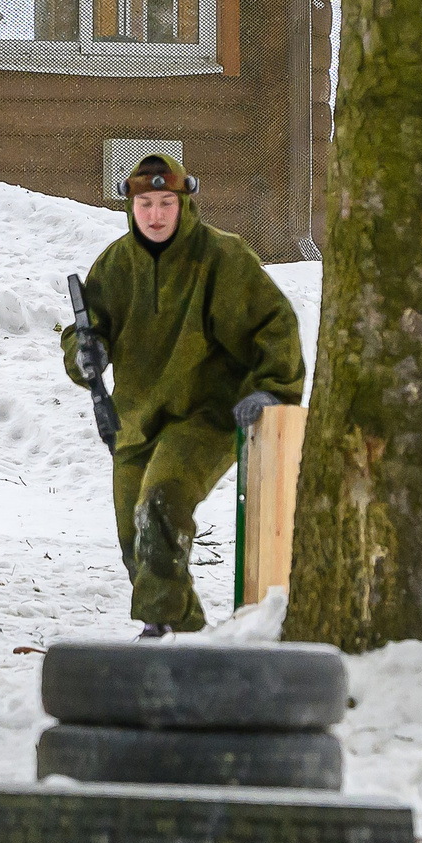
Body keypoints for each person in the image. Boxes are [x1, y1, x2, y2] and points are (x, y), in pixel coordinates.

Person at [62, 154, 305, 637]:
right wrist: (84, 354)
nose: (155, 215)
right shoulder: (115, 265)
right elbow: (85, 330)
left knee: (160, 506)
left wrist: (272, 392)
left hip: (207, 416)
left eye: (166, 203)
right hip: (135, 419)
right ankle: (188, 634)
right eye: (145, 203)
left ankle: (162, 632)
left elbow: (274, 324)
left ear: (184, 203)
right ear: (131, 206)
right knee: (137, 542)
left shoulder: (221, 258)